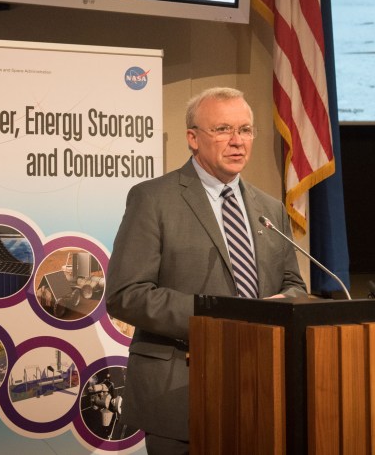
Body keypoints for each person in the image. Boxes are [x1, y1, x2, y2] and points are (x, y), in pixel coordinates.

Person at [105, 86, 307, 455]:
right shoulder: (153, 199)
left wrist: (281, 305)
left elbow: (293, 285)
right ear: (193, 138)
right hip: (181, 388)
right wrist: (219, 318)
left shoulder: (270, 208)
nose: (237, 141)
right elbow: (126, 294)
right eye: (223, 129)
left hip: (262, 388)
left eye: (245, 130)